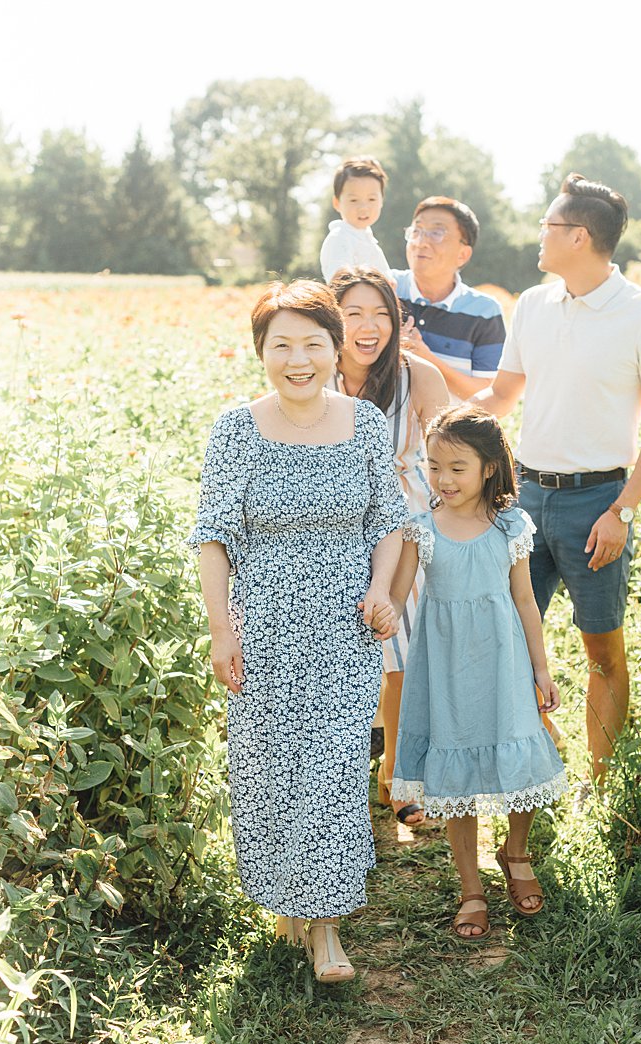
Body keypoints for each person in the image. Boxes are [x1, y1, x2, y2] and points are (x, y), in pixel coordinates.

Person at [188, 279, 405, 984]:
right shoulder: (235, 429)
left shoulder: (365, 424)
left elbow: (389, 521)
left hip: (345, 632)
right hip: (264, 631)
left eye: (313, 342)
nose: (298, 358)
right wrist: (223, 629)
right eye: (281, 344)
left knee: (333, 774)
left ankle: (327, 932)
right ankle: (289, 901)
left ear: (336, 348)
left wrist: (380, 588)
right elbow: (214, 535)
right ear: (261, 353)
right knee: (270, 774)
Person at [473, 173, 641, 785]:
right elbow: (503, 396)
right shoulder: (533, 305)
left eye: (548, 226)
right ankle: (542, 755)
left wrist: (622, 510)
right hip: (524, 498)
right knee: (507, 642)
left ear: (580, 236)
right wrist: (430, 402)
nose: (539, 235)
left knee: (603, 652)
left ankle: (603, 788)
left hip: (600, 503)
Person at [378, 405, 568, 932]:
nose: (443, 479)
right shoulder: (422, 528)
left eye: (457, 467)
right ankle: (470, 887)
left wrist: (541, 669)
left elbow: (526, 602)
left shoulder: (510, 524)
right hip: (446, 666)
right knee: (458, 766)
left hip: (504, 662)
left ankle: (517, 853)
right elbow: (397, 596)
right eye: (435, 467)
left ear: (489, 467)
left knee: (520, 759)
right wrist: (381, 612)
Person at [328, 267, 451, 827]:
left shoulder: (415, 376)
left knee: (400, 653)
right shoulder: (315, 373)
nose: (368, 326)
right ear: (333, 319)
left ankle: (399, 774)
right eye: (353, 313)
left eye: (381, 313)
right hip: (331, 524)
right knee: (342, 655)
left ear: (398, 321)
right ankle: (340, 779)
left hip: (405, 523)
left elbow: (450, 456)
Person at [390, 196, 506, 401]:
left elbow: (488, 395)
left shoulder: (485, 312)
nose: (421, 242)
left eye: (436, 233)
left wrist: (426, 359)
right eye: (416, 231)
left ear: (463, 254)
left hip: (446, 432)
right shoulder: (386, 288)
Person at [320, 157, 392, 282]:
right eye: (354, 200)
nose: (363, 208)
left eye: (372, 199)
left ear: (381, 201)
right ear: (337, 203)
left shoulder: (367, 238)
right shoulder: (339, 239)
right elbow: (340, 283)